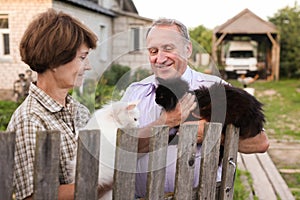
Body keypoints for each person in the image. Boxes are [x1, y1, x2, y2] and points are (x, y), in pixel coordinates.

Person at [121, 18, 269, 197]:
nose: (160, 58)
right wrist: (166, 122)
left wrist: (214, 135)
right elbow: (122, 149)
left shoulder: (217, 88)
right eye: (153, 51)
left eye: (168, 48)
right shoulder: (135, 93)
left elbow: (260, 143)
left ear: (188, 49)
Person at [6, 9, 110, 200]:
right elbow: (35, 197)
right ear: (56, 60)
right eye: (82, 57)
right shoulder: (30, 120)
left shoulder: (80, 112)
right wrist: (110, 178)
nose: (88, 66)